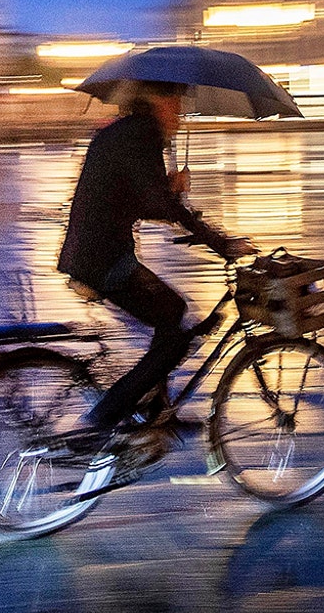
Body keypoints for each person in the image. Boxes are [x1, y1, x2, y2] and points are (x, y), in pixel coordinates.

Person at [57, 79, 250, 432]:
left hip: (99, 252)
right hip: (102, 258)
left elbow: (144, 197)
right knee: (174, 337)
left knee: (172, 311)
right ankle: (105, 414)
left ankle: (158, 409)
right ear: (158, 100)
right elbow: (160, 205)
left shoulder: (130, 132)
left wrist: (168, 188)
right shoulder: (139, 136)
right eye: (177, 103)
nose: (181, 113)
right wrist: (222, 244)